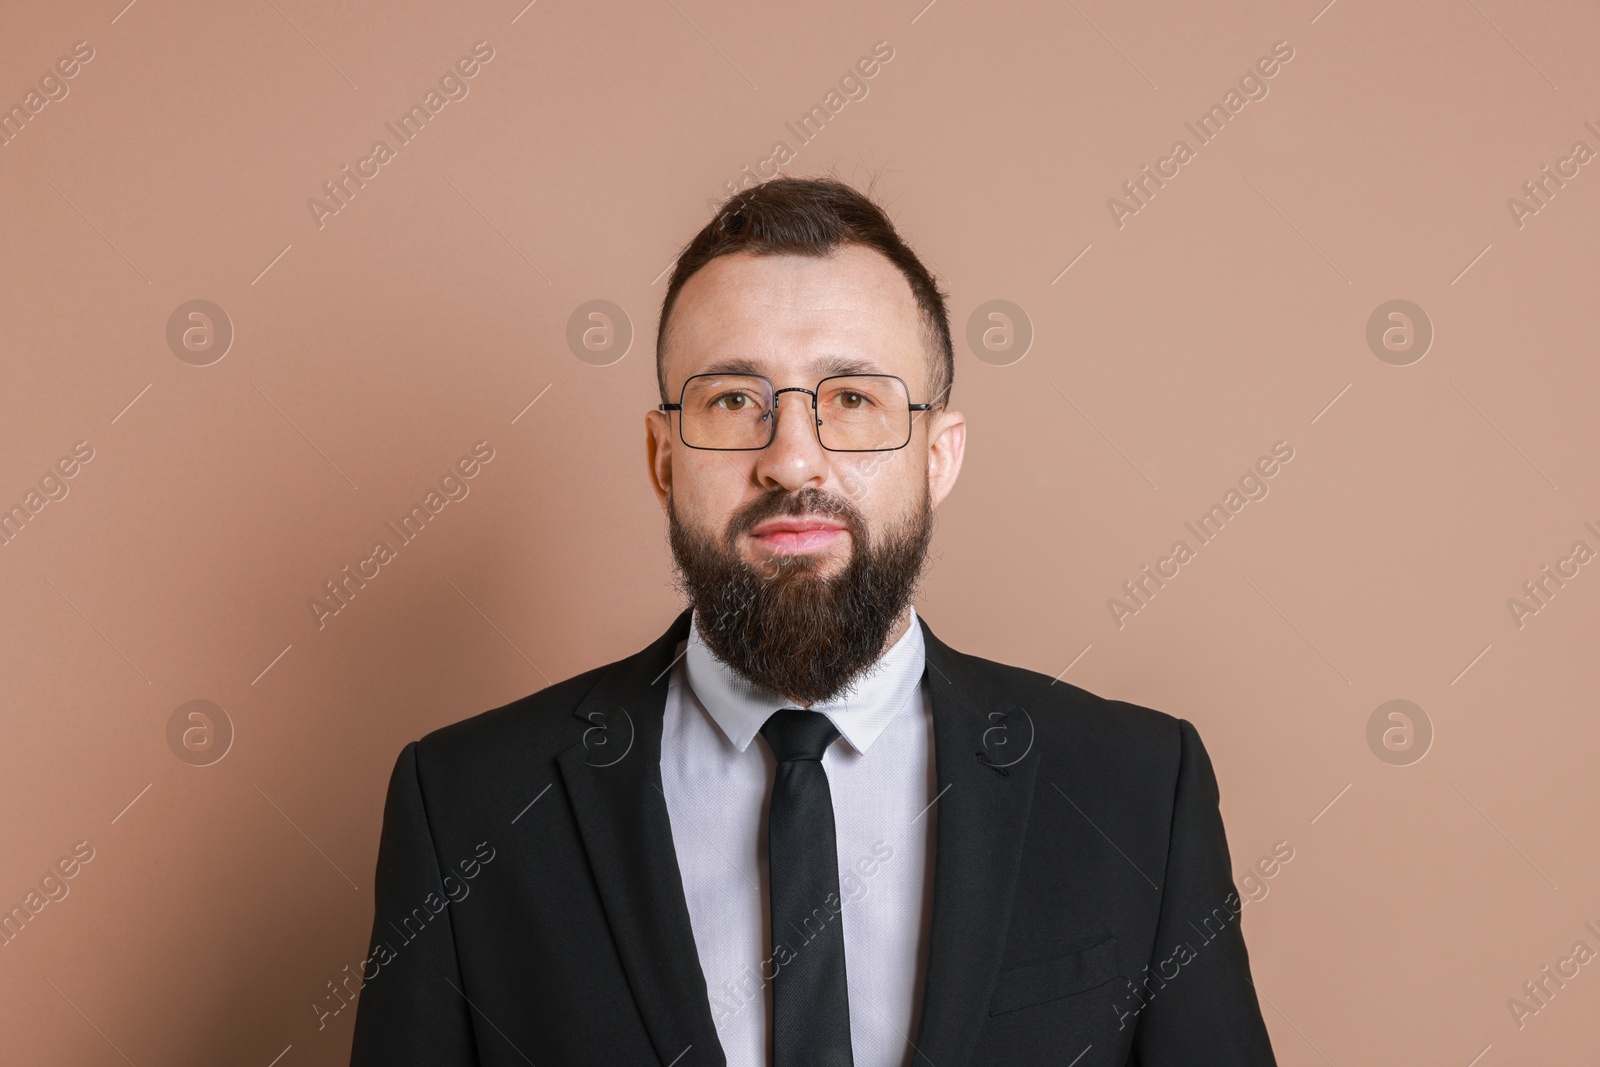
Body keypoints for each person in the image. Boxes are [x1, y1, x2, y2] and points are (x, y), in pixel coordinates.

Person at [349, 177, 1278, 1066]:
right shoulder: (465, 804)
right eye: (733, 400)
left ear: (938, 454)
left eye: (853, 399)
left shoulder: (1137, 791)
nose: (794, 460)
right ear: (662, 456)